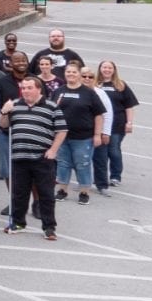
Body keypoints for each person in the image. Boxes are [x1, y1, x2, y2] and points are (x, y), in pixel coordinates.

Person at [0, 76, 66, 239]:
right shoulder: (14, 105)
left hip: (42, 157)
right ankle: (18, 222)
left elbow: (62, 130)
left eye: (29, 88)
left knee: (46, 194)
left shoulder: (51, 107)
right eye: (23, 88)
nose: (26, 91)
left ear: (38, 89)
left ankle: (49, 227)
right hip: (19, 156)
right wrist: (4, 111)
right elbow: (3, 126)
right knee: (19, 193)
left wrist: (53, 150)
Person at [52, 61, 106, 204]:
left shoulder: (89, 92)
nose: (71, 74)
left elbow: (99, 115)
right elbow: (51, 111)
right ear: (65, 74)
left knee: (83, 164)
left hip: (83, 138)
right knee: (63, 163)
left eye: (74, 72)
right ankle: (62, 190)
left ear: (79, 75)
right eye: (68, 72)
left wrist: (97, 135)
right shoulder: (59, 91)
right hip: (62, 136)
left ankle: (84, 192)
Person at [95, 60, 137, 190]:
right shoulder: (95, 84)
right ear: (100, 69)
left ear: (114, 70)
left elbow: (129, 106)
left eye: (109, 68)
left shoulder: (120, 85)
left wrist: (129, 123)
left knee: (113, 151)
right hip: (99, 124)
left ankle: (115, 176)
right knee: (99, 154)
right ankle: (99, 177)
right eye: (104, 67)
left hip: (117, 124)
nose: (107, 70)